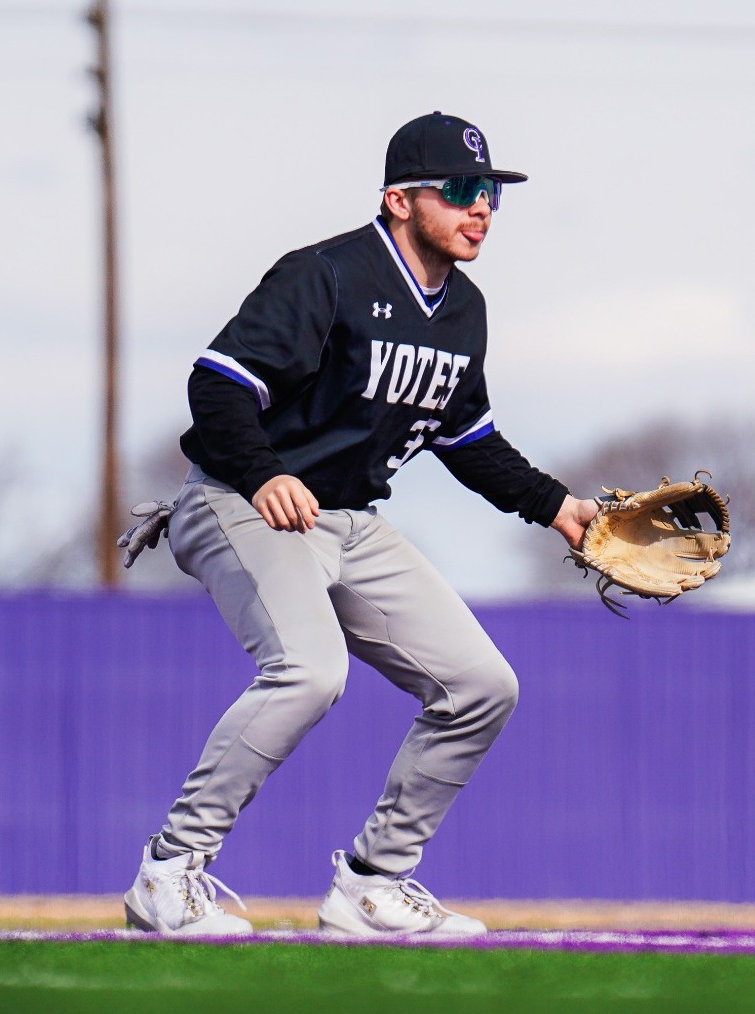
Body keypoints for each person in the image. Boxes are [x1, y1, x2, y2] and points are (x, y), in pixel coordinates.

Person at [124, 112, 599, 938]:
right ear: (400, 198)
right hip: (237, 499)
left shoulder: (463, 311)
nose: (480, 207)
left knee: (481, 686)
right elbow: (218, 385)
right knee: (309, 670)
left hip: (346, 521)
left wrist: (558, 507)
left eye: (489, 193)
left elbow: (468, 439)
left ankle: (373, 885)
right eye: (459, 190)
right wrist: (265, 470)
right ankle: (169, 873)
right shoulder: (327, 276)